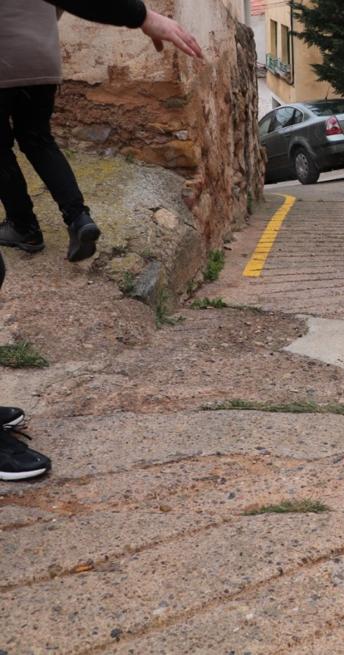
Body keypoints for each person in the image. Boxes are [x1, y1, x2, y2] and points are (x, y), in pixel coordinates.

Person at [0, 0, 203, 481]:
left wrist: (139, 16)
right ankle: (78, 216)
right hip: (38, 58)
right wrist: (140, 15)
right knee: (38, 139)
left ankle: (25, 226)